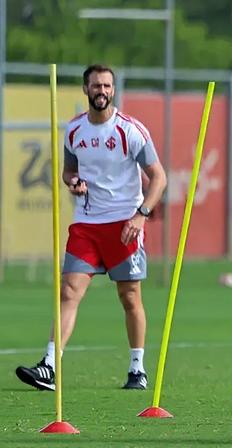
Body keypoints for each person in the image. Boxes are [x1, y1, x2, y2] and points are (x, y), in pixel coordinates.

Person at [14, 64, 167, 391]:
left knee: (129, 297)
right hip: (86, 224)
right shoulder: (74, 131)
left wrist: (141, 215)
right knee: (68, 290)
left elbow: (159, 178)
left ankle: (137, 369)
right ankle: (49, 365)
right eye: (96, 85)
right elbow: (68, 172)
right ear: (86, 89)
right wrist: (74, 182)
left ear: (114, 90)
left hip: (125, 225)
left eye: (107, 86)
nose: (102, 91)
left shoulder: (131, 130)